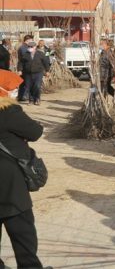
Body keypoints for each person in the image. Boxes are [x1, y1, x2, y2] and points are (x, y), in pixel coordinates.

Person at [0, 70, 45, 269]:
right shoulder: (9, 112)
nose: (15, 92)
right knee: (23, 233)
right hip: (9, 185)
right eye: (12, 88)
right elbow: (35, 131)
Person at [20, 41, 50, 105]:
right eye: (29, 46)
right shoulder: (26, 54)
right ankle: (31, 100)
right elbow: (20, 63)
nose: (30, 48)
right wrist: (19, 70)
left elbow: (46, 62)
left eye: (31, 46)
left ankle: (37, 98)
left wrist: (47, 71)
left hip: (38, 73)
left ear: (35, 47)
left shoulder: (41, 53)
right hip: (28, 73)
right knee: (29, 86)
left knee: (37, 86)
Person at [16, 35, 34, 102]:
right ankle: (30, 97)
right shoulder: (23, 48)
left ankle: (21, 97)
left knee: (23, 83)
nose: (32, 41)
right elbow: (25, 57)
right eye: (31, 40)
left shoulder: (26, 47)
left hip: (23, 67)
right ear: (27, 40)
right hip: (25, 67)